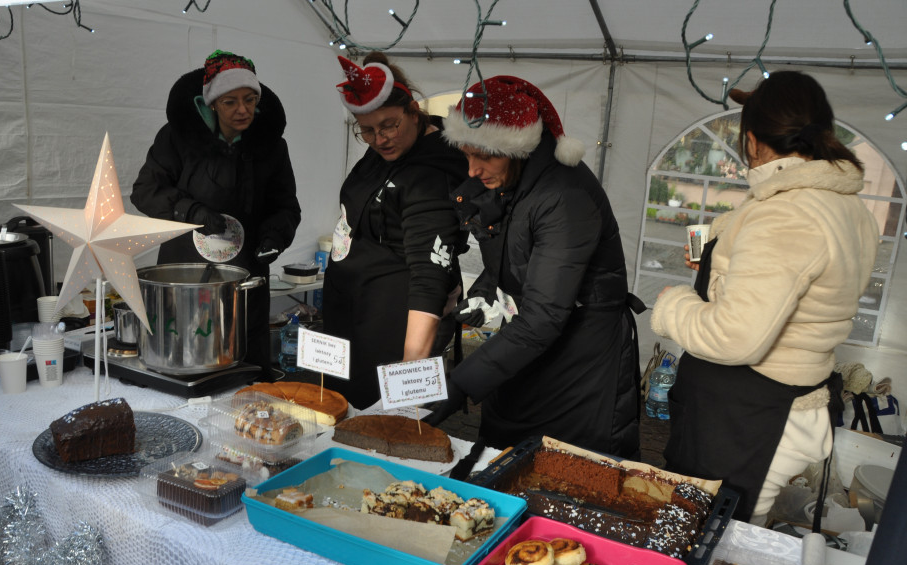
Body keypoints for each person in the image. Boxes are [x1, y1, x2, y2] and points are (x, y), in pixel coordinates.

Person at [650, 71, 879, 523]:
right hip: (775, 403)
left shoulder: (788, 213)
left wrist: (672, 305)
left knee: (710, 540)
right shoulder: (846, 206)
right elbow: (807, 291)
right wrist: (722, 276)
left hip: (751, 419)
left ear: (753, 143)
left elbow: (736, 337)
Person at [426, 75, 643, 459]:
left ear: (519, 148)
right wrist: (483, 293)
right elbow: (512, 257)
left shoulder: (563, 196)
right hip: (527, 344)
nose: (473, 170)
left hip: (581, 358)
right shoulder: (512, 183)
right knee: (503, 449)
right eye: (467, 154)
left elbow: (543, 318)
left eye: (486, 155)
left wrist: (460, 383)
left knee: (563, 465)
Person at [131, 50, 301, 377]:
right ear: (210, 102)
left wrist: (274, 236)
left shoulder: (271, 147)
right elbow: (145, 190)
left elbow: (286, 206)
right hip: (184, 276)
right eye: (230, 101)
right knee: (189, 358)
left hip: (246, 275)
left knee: (245, 365)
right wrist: (190, 209)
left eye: (250, 99)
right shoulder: (178, 138)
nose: (242, 110)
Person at [324, 53, 468, 409]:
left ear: (413, 111)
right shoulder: (390, 150)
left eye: (389, 125)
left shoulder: (430, 174)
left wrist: (410, 369)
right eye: (367, 130)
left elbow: (428, 277)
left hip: (394, 321)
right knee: (346, 413)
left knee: (390, 424)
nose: (380, 138)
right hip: (354, 311)